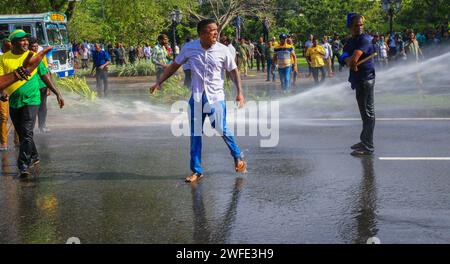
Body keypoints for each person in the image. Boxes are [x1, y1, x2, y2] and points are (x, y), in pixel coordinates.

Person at [149, 19, 247, 183]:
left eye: (217, 30)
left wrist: (240, 93)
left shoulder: (223, 51)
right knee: (195, 134)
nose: (216, 33)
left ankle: (237, 156)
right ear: (202, 33)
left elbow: (234, 71)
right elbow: (174, 66)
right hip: (196, 97)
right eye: (212, 30)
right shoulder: (189, 48)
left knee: (220, 128)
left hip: (216, 97)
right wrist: (159, 82)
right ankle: (196, 170)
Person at [0, 30, 64, 177]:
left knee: (27, 131)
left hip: (32, 99)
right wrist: (2, 93)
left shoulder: (34, 57)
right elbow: (1, 79)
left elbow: (44, 75)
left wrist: (57, 93)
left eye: (26, 40)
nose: (26, 43)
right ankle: (34, 156)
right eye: (22, 40)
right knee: (23, 133)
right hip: (15, 101)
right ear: (13, 43)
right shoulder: (3, 59)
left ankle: (23, 165)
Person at [339, 13, 376, 156]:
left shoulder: (365, 39)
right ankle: (364, 140)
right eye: (356, 25)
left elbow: (351, 60)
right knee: (364, 114)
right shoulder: (350, 41)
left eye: (361, 24)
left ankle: (368, 146)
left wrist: (349, 60)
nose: (359, 27)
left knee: (368, 114)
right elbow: (343, 58)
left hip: (366, 79)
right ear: (349, 27)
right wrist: (348, 60)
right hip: (358, 79)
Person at [29, 37, 53, 133]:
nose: (35, 48)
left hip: (42, 84)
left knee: (43, 107)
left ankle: (42, 126)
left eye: (36, 46)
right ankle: (30, 128)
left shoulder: (41, 55)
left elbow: (46, 70)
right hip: (33, 86)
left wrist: (49, 87)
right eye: (33, 46)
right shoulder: (26, 57)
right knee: (33, 107)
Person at [0, 36, 19, 151]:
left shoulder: (16, 58)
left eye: (9, 46)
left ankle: (18, 141)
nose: (7, 48)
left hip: (16, 91)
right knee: (3, 117)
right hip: (3, 92)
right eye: (5, 47)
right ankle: (3, 142)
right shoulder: (1, 59)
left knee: (17, 117)